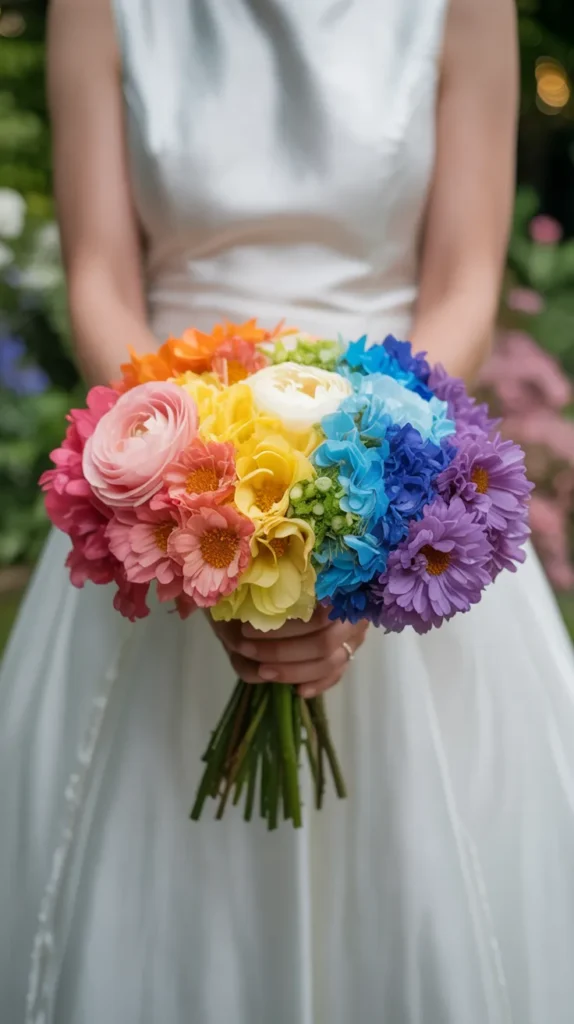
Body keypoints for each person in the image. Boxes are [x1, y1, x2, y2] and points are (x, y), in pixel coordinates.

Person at [2, 0, 574, 1021]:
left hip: (396, 442)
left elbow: (462, 284)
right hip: (165, 439)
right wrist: (184, 488)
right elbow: (99, 276)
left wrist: (362, 533)